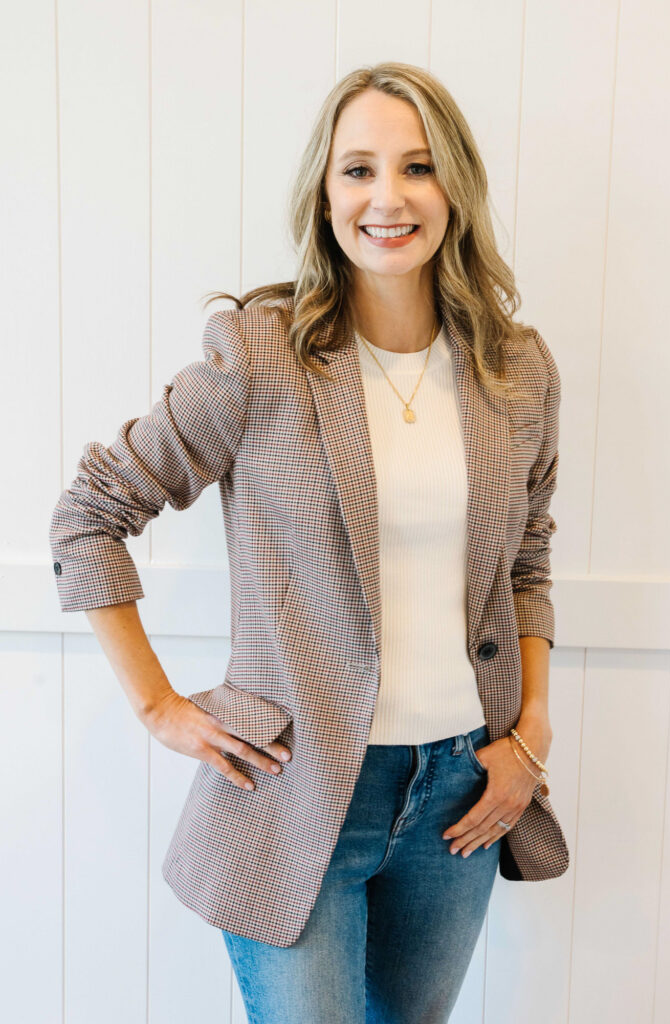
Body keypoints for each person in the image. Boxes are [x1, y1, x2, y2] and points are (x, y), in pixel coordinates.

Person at [49, 61, 569, 1024]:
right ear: (324, 195)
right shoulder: (261, 355)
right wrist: (159, 706)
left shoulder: (517, 370)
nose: (388, 197)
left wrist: (531, 731)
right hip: (296, 793)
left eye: (417, 167)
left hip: (463, 790)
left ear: (454, 186)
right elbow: (90, 511)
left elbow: (527, 558)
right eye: (358, 170)